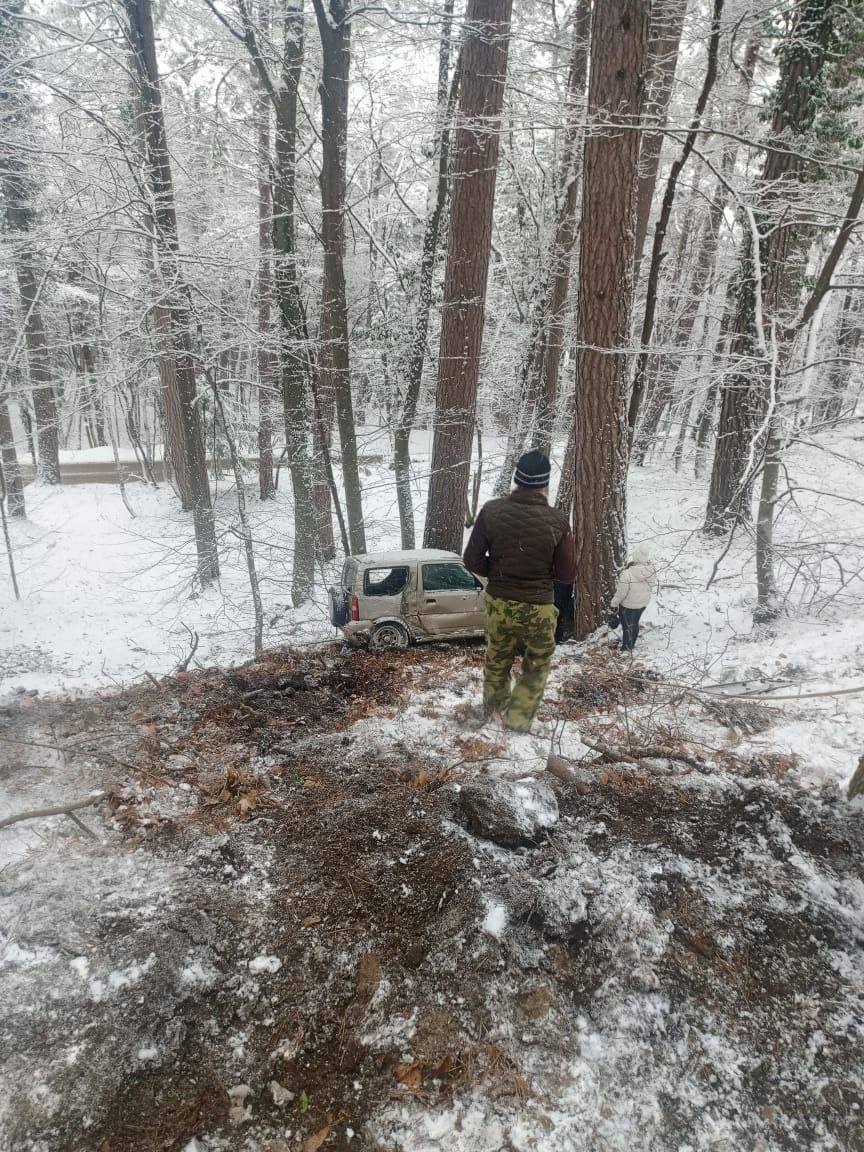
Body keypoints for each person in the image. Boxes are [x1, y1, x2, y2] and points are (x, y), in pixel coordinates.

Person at [463, 450, 576, 732]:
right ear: (544, 484)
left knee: (497, 659)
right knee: (537, 666)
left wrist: (501, 571)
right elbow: (567, 574)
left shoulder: (491, 511)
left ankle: (493, 713)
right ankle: (517, 720)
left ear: (516, 479)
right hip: (539, 607)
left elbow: (472, 560)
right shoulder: (558, 521)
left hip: (500, 603)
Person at [609, 543, 656, 652]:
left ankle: (626, 648)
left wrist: (614, 604)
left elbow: (621, 593)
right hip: (642, 604)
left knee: (627, 626)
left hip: (628, 606)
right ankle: (631, 643)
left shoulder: (628, 573)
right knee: (634, 623)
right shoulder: (651, 571)